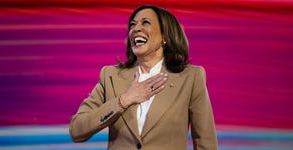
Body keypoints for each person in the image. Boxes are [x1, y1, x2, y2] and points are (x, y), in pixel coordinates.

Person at [69, 5, 218, 150]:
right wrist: (123, 101)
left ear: (165, 36)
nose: (136, 29)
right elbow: (77, 130)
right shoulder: (111, 76)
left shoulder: (191, 77)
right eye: (132, 25)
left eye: (145, 22)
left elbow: (205, 141)